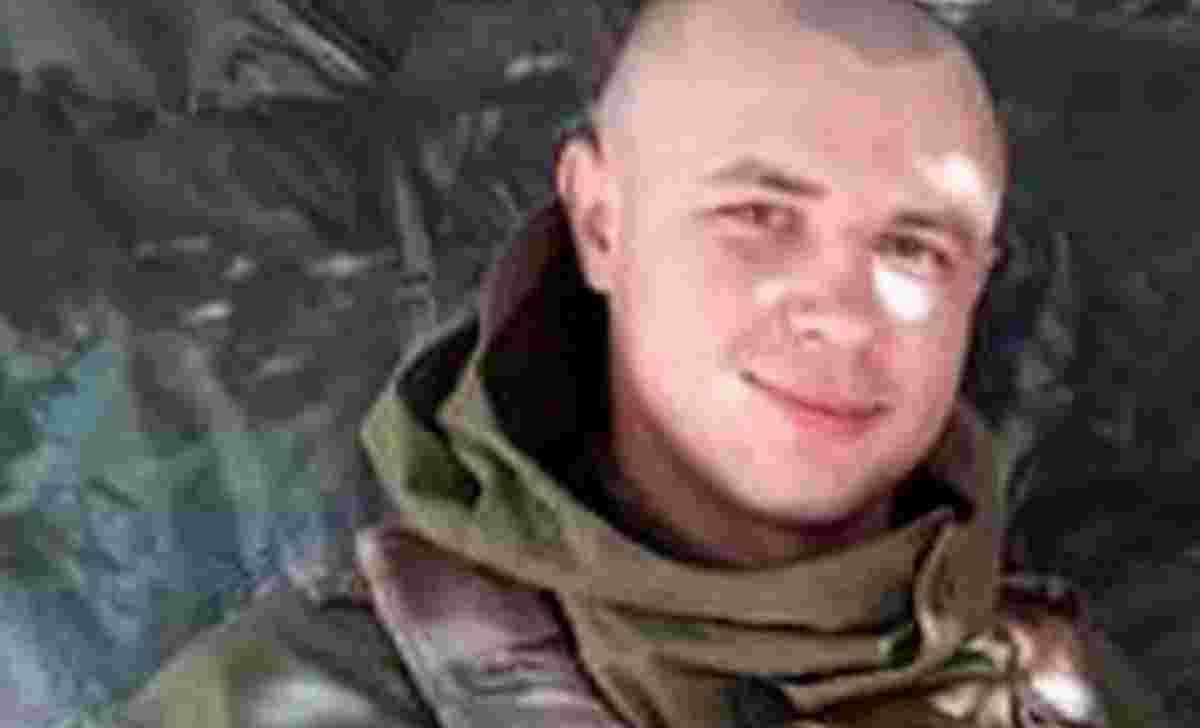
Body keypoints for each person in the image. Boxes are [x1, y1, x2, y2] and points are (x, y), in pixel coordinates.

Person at [71, 1, 1173, 726]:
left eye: (914, 246)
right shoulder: (295, 699)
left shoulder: (1067, 688)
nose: (845, 315)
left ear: (978, 282)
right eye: (761, 215)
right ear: (600, 222)